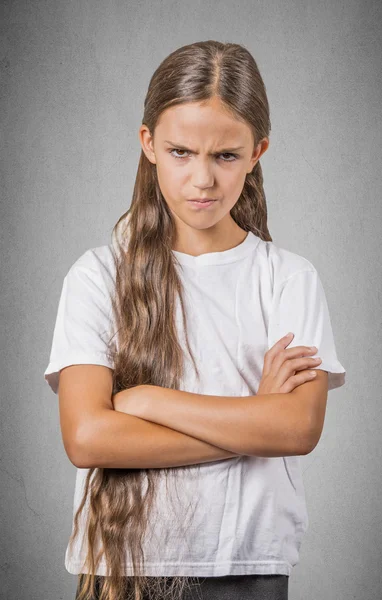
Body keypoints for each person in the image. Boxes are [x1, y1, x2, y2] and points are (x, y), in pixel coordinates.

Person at [43, 40, 346, 600]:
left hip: (248, 564)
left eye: (225, 156)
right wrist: (255, 421)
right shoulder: (96, 276)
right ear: (149, 144)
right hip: (122, 572)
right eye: (181, 152)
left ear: (257, 152)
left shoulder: (287, 279)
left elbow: (298, 429)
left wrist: (149, 401)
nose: (202, 179)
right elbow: (88, 436)